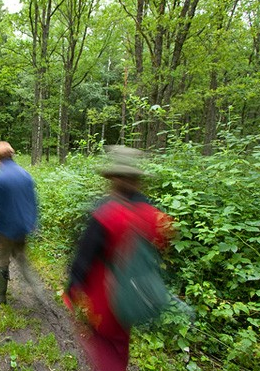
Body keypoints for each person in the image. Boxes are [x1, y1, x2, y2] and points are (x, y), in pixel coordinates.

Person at [63, 146, 173, 371]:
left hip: (103, 297)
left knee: (104, 345)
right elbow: (162, 245)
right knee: (121, 343)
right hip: (133, 294)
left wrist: (72, 289)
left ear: (113, 178)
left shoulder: (104, 213)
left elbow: (84, 257)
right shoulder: (154, 214)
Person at [0, 141, 44, 305]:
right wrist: (33, 223)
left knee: (1, 258)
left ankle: (0, 293)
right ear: (11, 155)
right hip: (24, 226)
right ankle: (37, 288)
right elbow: (33, 202)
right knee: (21, 257)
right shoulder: (25, 174)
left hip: (6, 229)